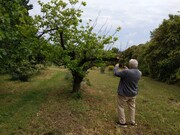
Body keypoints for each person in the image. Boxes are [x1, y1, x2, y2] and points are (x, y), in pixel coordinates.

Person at [114, 59, 142, 127]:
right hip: (133, 94)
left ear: (130, 65)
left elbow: (116, 73)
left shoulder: (126, 72)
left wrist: (116, 67)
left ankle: (122, 123)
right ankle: (132, 122)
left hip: (124, 93)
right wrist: (127, 69)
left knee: (121, 106)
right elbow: (130, 74)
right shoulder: (139, 72)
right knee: (132, 107)